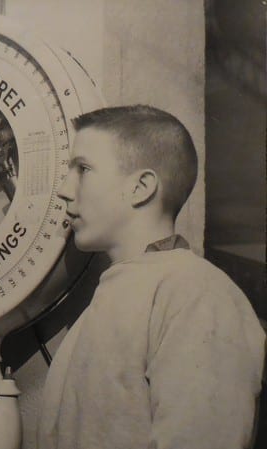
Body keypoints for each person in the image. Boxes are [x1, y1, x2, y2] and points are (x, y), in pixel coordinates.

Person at [38, 105, 265, 449]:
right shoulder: (116, 293)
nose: (64, 190)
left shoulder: (197, 292)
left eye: (83, 169)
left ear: (141, 187)